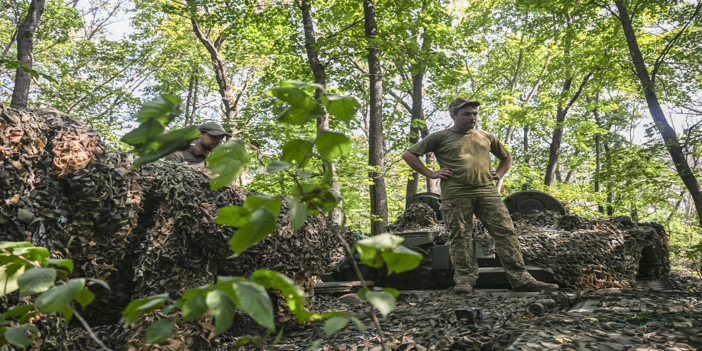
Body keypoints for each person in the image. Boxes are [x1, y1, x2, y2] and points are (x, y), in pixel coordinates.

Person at [401, 98, 559, 293]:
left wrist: (500, 173)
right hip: (455, 195)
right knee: (460, 237)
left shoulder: (486, 136)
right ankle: (465, 281)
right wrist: (431, 173)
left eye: (475, 113)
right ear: (453, 115)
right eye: (467, 114)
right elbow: (408, 155)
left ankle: (522, 280)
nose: (472, 117)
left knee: (506, 233)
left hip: (487, 193)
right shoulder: (439, 137)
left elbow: (506, 157)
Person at [165, 122, 231, 167]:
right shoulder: (178, 155)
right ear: (199, 134)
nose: (219, 141)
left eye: (221, 138)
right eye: (213, 136)